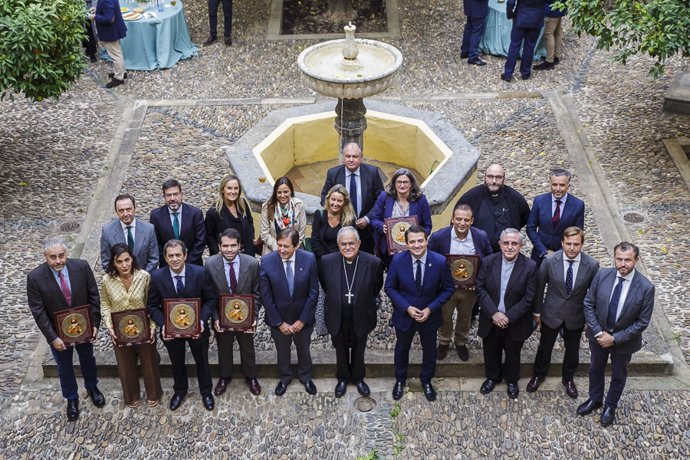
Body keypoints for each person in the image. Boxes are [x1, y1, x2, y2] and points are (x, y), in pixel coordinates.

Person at [27, 237, 105, 421]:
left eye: (61, 255)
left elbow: (94, 297)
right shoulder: (35, 278)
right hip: (58, 334)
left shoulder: (82, 267)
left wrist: (94, 324)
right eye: (53, 257)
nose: (58, 261)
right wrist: (52, 338)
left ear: (66, 254)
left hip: (84, 328)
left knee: (88, 359)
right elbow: (38, 312)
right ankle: (71, 398)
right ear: (45, 257)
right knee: (64, 368)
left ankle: (92, 387)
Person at [577, 242, 655, 427]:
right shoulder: (602, 275)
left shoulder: (646, 288)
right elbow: (589, 303)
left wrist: (614, 338)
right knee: (595, 369)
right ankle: (595, 399)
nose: (622, 264)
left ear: (636, 260)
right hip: (598, 337)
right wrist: (597, 332)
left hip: (624, 342)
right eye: (619, 259)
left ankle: (610, 406)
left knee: (619, 375)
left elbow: (642, 322)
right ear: (614, 257)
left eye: (627, 260)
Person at [526, 227, 599, 399]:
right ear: (562, 243)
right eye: (568, 244)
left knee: (573, 350)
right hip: (551, 313)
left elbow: (594, 295)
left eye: (576, 244)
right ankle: (539, 375)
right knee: (545, 347)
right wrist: (537, 312)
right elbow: (539, 288)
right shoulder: (550, 261)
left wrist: (590, 319)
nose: (572, 248)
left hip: (576, 316)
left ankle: (568, 379)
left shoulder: (592, 265)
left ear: (582, 244)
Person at [385, 225, 455, 402]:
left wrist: (430, 308)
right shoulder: (398, 261)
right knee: (402, 349)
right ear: (406, 243)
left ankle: (426, 380)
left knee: (430, 350)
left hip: (429, 316)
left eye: (420, 241)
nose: (417, 245)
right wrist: (406, 307)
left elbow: (448, 289)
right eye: (412, 242)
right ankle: (400, 380)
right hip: (405, 315)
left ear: (426, 241)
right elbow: (390, 287)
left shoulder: (439, 261)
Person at [147, 240, 217, 411]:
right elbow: (152, 306)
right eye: (170, 256)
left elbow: (211, 299)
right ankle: (180, 390)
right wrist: (164, 324)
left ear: (185, 255)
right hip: (171, 331)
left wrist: (201, 321)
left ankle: (206, 391)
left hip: (197, 329)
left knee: (202, 360)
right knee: (176, 361)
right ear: (165, 257)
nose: (175, 259)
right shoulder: (156, 277)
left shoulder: (200, 273)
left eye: (178, 255)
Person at [319, 227, 384, 398]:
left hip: (362, 314)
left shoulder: (373, 263)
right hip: (337, 315)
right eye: (344, 244)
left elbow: (376, 287)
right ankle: (342, 378)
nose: (348, 247)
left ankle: (358, 378)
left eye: (351, 243)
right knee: (340, 349)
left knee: (359, 349)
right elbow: (326, 286)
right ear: (338, 245)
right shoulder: (326, 262)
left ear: (359, 243)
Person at [476, 228, 537, 399]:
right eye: (506, 243)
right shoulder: (488, 262)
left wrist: (508, 317)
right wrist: (494, 313)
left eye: (514, 243)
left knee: (513, 353)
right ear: (500, 244)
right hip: (491, 318)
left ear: (521, 245)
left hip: (515, 320)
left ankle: (511, 380)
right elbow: (480, 289)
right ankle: (492, 377)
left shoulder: (530, 267)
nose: (510, 247)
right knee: (490, 350)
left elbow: (528, 297)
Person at [101, 243, 163, 408]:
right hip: (119, 330)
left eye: (127, 260)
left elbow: (151, 303)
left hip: (144, 327)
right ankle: (131, 395)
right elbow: (105, 304)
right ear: (113, 263)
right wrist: (110, 327)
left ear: (132, 259)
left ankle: (153, 392)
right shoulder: (107, 281)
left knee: (149, 361)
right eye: (119, 261)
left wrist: (152, 328)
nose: (124, 265)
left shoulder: (144, 277)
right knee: (125, 364)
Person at [428, 203, 492, 361]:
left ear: (472, 221)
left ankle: (460, 342)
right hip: (446, 288)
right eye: (458, 219)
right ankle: (443, 342)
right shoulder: (439, 237)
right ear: (452, 219)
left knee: (466, 316)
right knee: (445, 316)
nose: (462, 223)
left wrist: (479, 280)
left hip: (470, 289)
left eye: (466, 220)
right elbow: (429, 259)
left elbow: (490, 258)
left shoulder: (481, 236)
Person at [260, 228, 319, 396]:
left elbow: (313, 292)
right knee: (282, 352)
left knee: (304, 350)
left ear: (297, 245)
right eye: (279, 245)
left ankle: (306, 377)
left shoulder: (309, 259)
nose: (282, 250)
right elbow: (266, 295)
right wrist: (279, 322)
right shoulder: (266, 261)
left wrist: (303, 320)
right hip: (279, 319)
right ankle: (284, 378)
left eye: (286, 246)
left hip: (303, 318)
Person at [205, 228, 262, 396]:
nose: (229, 250)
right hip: (221, 318)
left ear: (240, 246)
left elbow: (257, 293)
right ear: (219, 246)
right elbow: (209, 295)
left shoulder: (252, 264)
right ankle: (225, 377)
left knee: (247, 347)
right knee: (223, 348)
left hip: (246, 317)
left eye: (232, 246)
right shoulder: (209, 264)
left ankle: (251, 376)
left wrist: (254, 316)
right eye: (225, 246)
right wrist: (215, 317)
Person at [320, 143, 385, 254]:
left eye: (354, 156)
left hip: (366, 232)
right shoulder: (333, 173)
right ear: (343, 157)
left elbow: (381, 199)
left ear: (361, 158)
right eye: (348, 156)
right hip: (341, 229)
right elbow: (324, 198)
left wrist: (367, 219)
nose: (351, 159)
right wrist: (339, 216)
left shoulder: (372, 173)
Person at [456, 164, 530, 253]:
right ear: (485, 177)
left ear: (504, 179)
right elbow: (457, 221)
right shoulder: (471, 197)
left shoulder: (515, 199)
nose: (494, 181)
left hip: (506, 253)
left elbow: (525, 219)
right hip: (477, 252)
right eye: (490, 177)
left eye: (498, 177)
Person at [371, 169, 433, 268]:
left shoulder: (421, 200)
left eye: (405, 182)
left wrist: (418, 238)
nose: (402, 185)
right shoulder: (385, 197)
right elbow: (374, 219)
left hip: (413, 250)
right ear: (394, 183)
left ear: (411, 184)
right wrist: (382, 226)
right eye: (399, 182)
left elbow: (428, 226)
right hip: (389, 250)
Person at [526, 169, 585, 265]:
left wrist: (559, 254)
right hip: (539, 255)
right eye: (554, 185)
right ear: (550, 184)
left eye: (562, 185)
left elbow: (577, 233)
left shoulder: (577, 205)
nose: (557, 189)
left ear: (568, 186)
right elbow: (530, 228)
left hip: (564, 257)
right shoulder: (539, 201)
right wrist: (543, 251)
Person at [150, 179, 206, 267]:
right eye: (168, 195)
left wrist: (187, 263)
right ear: (164, 197)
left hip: (193, 265)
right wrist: (169, 261)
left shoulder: (195, 213)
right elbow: (156, 243)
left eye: (175, 194)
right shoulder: (156, 215)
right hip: (167, 267)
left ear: (181, 194)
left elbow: (201, 241)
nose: (172, 198)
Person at [100, 193, 159, 272]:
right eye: (121, 211)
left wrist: (142, 278)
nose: (125, 214)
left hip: (144, 280)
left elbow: (153, 259)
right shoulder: (107, 231)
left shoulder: (149, 229)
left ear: (134, 208)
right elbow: (106, 261)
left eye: (128, 209)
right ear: (116, 212)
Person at [205, 174, 256, 257]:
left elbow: (250, 222)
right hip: (226, 255)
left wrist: (251, 239)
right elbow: (208, 235)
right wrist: (217, 251)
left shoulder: (242, 204)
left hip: (247, 254)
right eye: (229, 188)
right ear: (222, 189)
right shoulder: (214, 212)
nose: (233, 191)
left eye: (236, 188)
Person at [260, 177, 306, 255]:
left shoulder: (299, 205)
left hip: (294, 250)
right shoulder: (267, 207)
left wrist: (291, 248)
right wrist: (280, 248)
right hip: (273, 250)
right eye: (279, 192)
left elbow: (302, 231)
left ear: (291, 191)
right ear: (275, 193)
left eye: (285, 192)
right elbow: (264, 234)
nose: (282, 195)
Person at [501, 0, 546, 81]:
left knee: (514, 46)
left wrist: (510, 14)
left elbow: (510, 2)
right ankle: (525, 73)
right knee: (530, 46)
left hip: (520, 17)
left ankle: (508, 73)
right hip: (536, 18)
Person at [312, 184, 357, 260]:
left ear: (344, 203)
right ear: (328, 199)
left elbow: (352, 243)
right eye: (333, 199)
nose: (335, 204)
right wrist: (326, 259)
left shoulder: (350, 219)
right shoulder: (319, 215)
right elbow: (315, 241)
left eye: (339, 201)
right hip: (322, 259)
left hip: (343, 259)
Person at [90, 0, 127, 88]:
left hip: (110, 32)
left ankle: (119, 78)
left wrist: (95, 16)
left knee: (115, 55)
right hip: (113, 30)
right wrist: (98, 10)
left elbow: (109, 18)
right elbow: (109, 10)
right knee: (117, 52)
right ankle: (122, 72)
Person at [533, 0, 566, 70]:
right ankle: (556, 56)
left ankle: (549, 61)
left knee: (548, 35)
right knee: (557, 32)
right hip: (560, 7)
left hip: (551, 10)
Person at [460, 0, 490, 66]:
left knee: (469, 27)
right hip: (478, 7)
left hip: (469, 5)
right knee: (476, 31)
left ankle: (465, 51)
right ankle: (472, 56)